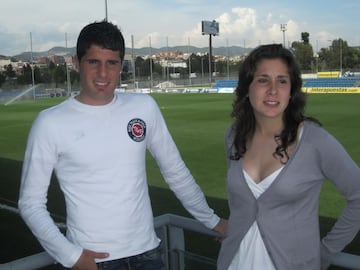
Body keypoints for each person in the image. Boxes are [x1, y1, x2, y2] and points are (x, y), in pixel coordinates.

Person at [18, 20, 226, 270]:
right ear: (76, 63)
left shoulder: (143, 108)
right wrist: (71, 257)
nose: (103, 74)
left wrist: (212, 220)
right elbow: (30, 203)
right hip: (94, 260)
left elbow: (175, 171)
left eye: (112, 63)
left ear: (121, 65)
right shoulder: (50, 123)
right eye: (93, 62)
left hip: (148, 255)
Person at [217, 44, 360, 270]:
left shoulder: (315, 141)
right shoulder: (233, 136)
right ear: (247, 88)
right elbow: (240, 203)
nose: (273, 90)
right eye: (263, 80)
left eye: (282, 80)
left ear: (291, 90)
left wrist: (324, 252)